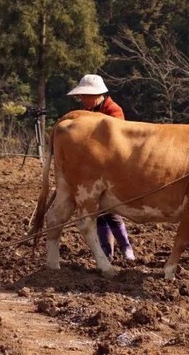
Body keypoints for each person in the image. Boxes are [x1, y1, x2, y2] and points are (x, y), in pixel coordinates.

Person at [67, 74, 135, 261]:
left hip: (112, 169)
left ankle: (126, 248)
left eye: (84, 95)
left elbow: (114, 142)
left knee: (111, 212)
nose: (81, 99)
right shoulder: (86, 114)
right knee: (99, 213)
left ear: (96, 95)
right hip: (94, 170)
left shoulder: (114, 111)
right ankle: (107, 251)